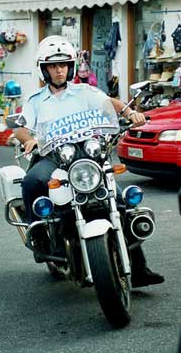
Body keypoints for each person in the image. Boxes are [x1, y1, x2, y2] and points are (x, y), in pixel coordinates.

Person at [15, 35, 164, 288]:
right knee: (31, 181)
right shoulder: (35, 101)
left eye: (63, 65)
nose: (59, 70)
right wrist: (28, 140)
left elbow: (110, 103)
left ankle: (138, 268)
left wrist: (130, 113)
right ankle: (40, 236)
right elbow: (21, 128)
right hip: (53, 156)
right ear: (45, 70)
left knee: (118, 201)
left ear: (70, 66)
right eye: (53, 66)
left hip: (87, 154)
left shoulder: (85, 91)